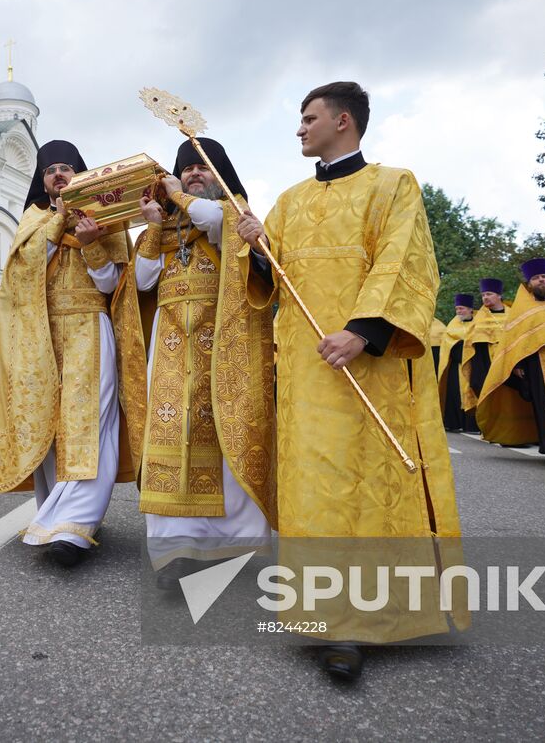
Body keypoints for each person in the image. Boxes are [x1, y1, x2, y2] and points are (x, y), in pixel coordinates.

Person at [236, 82, 463, 682]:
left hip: (368, 366)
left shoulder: (393, 185)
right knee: (314, 487)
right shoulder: (287, 200)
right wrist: (256, 249)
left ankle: (362, 624)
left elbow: (405, 261)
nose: (300, 129)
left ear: (343, 120)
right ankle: (321, 615)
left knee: (365, 488)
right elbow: (274, 279)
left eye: (308, 118)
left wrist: (362, 332)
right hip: (307, 370)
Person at [0, 140, 146, 567]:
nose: (59, 175)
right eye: (51, 169)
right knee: (48, 422)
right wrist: (60, 222)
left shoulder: (106, 217)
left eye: (68, 168)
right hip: (39, 333)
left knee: (89, 420)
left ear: (81, 174)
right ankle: (56, 513)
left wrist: (93, 243)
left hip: (89, 328)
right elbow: (22, 274)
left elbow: (115, 284)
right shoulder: (33, 219)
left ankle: (75, 525)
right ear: (42, 180)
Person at [134, 138, 275, 586]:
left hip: (224, 341)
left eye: (202, 168)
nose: (195, 174)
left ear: (220, 173)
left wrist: (176, 192)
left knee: (224, 434)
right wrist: (154, 226)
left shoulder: (235, 211)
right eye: (187, 169)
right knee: (172, 434)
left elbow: (213, 219)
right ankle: (176, 546)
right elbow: (143, 280)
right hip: (172, 341)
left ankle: (237, 541)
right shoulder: (169, 220)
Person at [478, 259, 545, 463]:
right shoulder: (523, 310)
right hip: (540, 367)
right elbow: (515, 340)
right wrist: (518, 365)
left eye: (544, 277)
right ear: (529, 284)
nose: (541, 281)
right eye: (536, 278)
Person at [465, 279, 536, 446]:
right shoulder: (479, 318)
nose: (485, 298)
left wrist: (518, 364)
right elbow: (472, 345)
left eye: (489, 294)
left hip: (513, 364)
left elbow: (521, 338)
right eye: (483, 295)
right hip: (489, 366)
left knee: (515, 401)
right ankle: (499, 434)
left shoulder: (513, 314)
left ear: (499, 295)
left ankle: (521, 435)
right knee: (498, 402)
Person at [436, 294, 479, 433]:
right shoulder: (452, 326)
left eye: (462, 308)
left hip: (474, 366)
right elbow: (448, 346)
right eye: (457, 309)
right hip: (456, 367)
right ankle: (454, 422)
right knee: (455, 395)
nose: (459, 311)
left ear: (470, 309)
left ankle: (472, 424)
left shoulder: (478, 323)